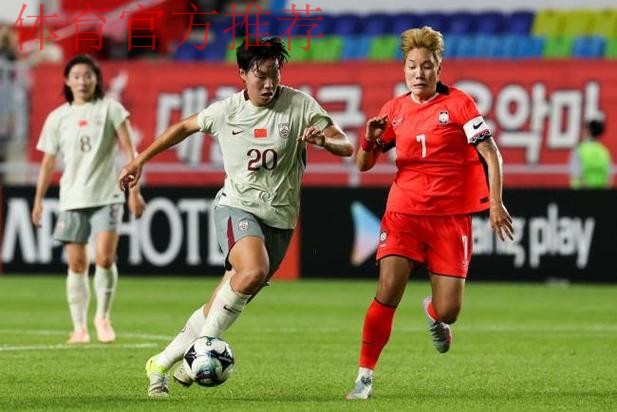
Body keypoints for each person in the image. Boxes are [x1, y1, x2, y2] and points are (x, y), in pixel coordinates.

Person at [118, 36, 354, 398]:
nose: (269, 83)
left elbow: (346, 145)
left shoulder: (300, 104)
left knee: (222, 301)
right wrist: (139, 161)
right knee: (253, 270)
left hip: (281, 220)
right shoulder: (226, 111)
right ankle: (204, 349)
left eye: (275, 74)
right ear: (242, 73)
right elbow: (183, 127)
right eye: (261, 75)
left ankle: (160, 363)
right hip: (236, 206)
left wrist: (324, 141)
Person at [345, 26, 514, 400]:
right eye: (411, 66)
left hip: (450, 219)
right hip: (403, 214)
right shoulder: (394, 110)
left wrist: (495, 202)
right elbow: (363, 165)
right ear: (403, 69)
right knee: (387, 291)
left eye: (426, 66)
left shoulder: (460, 104)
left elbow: (491, 154)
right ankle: (364, 377)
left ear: (439, 68)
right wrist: (369, 139)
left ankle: (435, 315)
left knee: (450, 310)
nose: (418, 73)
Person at [32, 54, 146, 344]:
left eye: (87, 75)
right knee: (76, 264)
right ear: (67, 81)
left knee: (105, 258)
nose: (82, 81)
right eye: (76, 76)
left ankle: (103, 318)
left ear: (96, 79)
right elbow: (47, 163)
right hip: (72, 197)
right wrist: (38, 199)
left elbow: (130, 152)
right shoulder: (58, 117)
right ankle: (79, 327)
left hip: (108, 195)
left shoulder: (110, 109)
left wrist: (135, 192)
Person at [570, 118, 612, 189]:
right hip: (600, 193)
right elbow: (608, 178)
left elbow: (576, 173)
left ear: (588, 131)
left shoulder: (580, 149)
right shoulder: (604, 151)